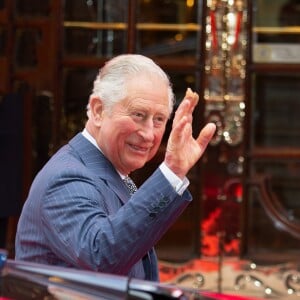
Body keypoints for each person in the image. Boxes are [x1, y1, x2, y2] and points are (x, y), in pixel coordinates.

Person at [15, 54, 216, 281]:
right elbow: (101, 256)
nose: (149, 134)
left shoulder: (109, 170)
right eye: (138, 115)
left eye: (159, 119)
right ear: (99, 111)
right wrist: (171, 172)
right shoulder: (67, 178)